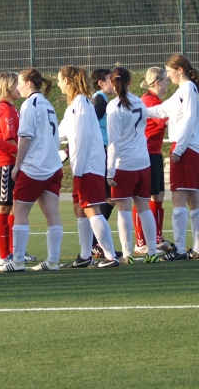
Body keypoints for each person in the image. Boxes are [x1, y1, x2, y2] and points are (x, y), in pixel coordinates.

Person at [145, 54, 199, 261]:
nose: (168, 75)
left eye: (170, 71)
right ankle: (197, 249)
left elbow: (189, 118)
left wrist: (179, 148)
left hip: (187, 146)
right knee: (193, 197)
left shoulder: (188, 88)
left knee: (179, 197)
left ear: (180, 69)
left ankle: (180, 249)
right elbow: (162, 110)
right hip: (192, 146)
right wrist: (137, 109)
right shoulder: (184, 90)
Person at [59, 66, 118, 269]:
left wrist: (80, 168)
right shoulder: (76, 104)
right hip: (82, 165)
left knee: (92, 209)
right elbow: (62, 132)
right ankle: (85, 255)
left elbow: (83, 137)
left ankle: (110, 256)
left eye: (60, 79)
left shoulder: (82, 103)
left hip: (87, 166)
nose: (58, 83)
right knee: (79, 208)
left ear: (68, 81)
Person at [6, 69, 64, 272]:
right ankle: (53, 261)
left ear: (29, 83)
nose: (17, 86)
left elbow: (25, 137)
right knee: (53, 215)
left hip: (34, 167)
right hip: (53, 167)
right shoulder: (48, 105)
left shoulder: (29, 104)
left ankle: (18, 261)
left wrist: (18, 165)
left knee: (20, 211)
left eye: (19, 82)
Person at [105, 67, 161, 263]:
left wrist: (110, 171)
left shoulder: (113, 106)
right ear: (129, 82)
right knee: (144, 207)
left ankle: (127, 254)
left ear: (113, 84)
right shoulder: (139, 101)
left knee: (124, 210)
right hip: (143, 162)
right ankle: (152, 251)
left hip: (124, 164)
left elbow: (113, 142)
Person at [137, 67, 173, 254]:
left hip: (156, 153)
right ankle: (140, 241)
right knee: (143, 198)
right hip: (147, 153)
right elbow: (167, 121)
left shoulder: (157, 100)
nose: (168, 82)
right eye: (166, 79)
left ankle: (157, 237)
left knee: (158, 196)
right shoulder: (149, 101)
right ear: (158, 82)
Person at [0, 73, 20, 271]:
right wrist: (22, 160)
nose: (20, 87)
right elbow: (9, 141)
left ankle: (12, 251)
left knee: (13, 207)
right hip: (4, 163)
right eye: (17, 84)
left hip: (9, 162)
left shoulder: (11, 109)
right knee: (3, 207)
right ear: (8, 87)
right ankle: (3, 255)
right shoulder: (5, 110)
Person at [90, 69, 116, 226]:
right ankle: (93, 242)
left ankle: (94, 243)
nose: (113, 83)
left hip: (101, 151)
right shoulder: (99, 101)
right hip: (99, 152)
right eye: (110, 79)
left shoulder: (101, 100)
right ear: (100, 83)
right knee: (109, 198)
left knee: (109, 197)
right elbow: (89, 125)